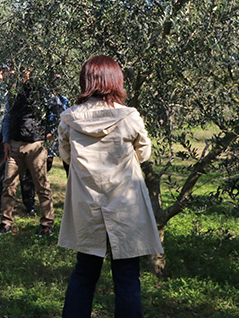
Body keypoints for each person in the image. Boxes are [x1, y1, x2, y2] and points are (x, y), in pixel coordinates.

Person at [58, 55, 163, 317]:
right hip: (126, 204)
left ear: (86, 80)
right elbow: (144, 153)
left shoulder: (69, 118)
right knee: (127, 278)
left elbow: (67, 158)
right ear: (115, 80)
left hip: (87, 204)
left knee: (84, 273)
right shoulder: (129, 116)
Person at [0, 70, 55, 236]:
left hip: (35, 144)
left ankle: (47, 224)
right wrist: (6, 140)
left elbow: (54, 111)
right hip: (14, 144)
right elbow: (7, 116)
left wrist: (49, 133)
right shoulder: (13, 91)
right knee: (8, 185)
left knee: (41, 186)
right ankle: (6, 222)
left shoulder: (41, 90)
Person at [0, 66, 37, 214]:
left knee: (26, 167)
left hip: (20, 131)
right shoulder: (0, 88)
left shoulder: (25, 88)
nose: (11, 73)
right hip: (0, 132)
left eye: (13, 70)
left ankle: (29, 202)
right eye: (8, 70)